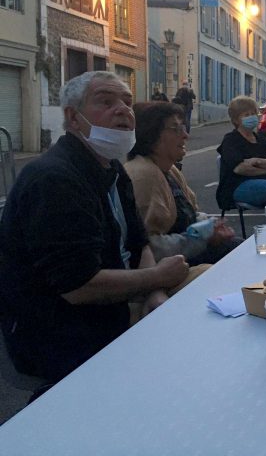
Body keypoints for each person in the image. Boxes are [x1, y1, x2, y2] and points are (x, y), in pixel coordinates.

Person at [0, 71, 192, 383]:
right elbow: (78, 286)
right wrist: (156, 278)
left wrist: (154, 290)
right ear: (73, 118)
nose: (123, 110)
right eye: (105, 101)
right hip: (62, 338)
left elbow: (138, 241)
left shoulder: (112, 167)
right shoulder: (54, 179)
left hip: (114, 311)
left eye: (127, 103)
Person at [125, 102, 241, 265]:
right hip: (171, 267)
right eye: (176, 129)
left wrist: (209, 225)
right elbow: (149, 247)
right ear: (151, 135)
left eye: (183, 127)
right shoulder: (143, 174)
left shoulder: (169, 170)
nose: (185, 135)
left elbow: (188, 215)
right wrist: (202, 238)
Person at [216, 96, 266, 210]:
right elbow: (240, 169)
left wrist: (256, 161)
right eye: (246, 115)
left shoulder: (260, 139)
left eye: (253, 113)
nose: (252, 117)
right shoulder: (231, 140)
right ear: (236, 120)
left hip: (263, 182)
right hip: (237, 186)